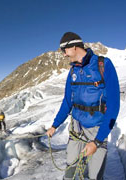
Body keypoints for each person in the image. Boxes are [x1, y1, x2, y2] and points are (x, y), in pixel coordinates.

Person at [46, 32, 120, 180]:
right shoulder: (73, 71)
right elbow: (67, 101)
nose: (64, 55)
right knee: (70, 173)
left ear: (73, 47)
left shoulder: (103, 65)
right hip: (77, 129)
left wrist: (98, 141)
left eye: (64, 50)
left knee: (95, 176)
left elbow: (113, 106)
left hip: (97, 130)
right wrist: (55, 125)